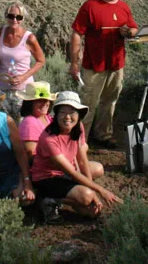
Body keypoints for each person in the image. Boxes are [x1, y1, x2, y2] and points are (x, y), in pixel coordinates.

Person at [69, 0, 138, 149]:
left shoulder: (124, 7)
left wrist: (129, 32)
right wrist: (74, 62)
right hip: (94, 65)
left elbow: (134, 29)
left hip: (116, 64)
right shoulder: (90, 6)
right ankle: (79, 141)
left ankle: (103, 134)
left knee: (110, 101)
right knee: (88, 103)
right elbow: (77, 34)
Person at [31, 91, 120, 222]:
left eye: (72, 112)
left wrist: (91, 188)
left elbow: (82, 161)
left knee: (91, 212)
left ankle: (71, 196)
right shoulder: (49, 138)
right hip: (47, 178)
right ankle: (46, 198)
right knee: (87, 196)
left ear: (79, 114)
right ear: (56, 115)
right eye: (62, 112)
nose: (67, 117)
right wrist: (99, 191)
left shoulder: (78, 127)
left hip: (67, 173)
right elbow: (72, 172)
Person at [0, 1, 46, 119]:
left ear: (23, 19)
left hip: (22, 91)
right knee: (1, 125)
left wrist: (23, 77)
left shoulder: (29, 38)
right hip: (1, 89)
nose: (15, 20)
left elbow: (41, 60)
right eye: (11, 16)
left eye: (19, 17)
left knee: (20, 127)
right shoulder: (0, 33)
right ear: (6, 16)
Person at [17, 81, 57, 161]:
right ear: (30, 103)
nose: (45, 103)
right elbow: (31, 153)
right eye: (39, 101)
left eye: (47, 100)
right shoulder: (29, 122)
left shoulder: (47, 118)